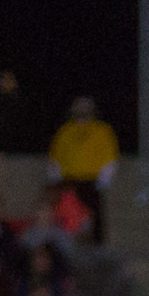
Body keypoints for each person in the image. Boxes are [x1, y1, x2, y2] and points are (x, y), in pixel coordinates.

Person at [48, 92, 121, 232]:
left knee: (93, 220)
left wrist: (103, 181)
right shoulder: (65, 131)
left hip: (91, 183)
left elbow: (111, 158)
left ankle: (94, 247)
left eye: (86, 104)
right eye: (79, 104)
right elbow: (55, 158)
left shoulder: (103, 130)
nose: (82, 108)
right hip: (69, 183)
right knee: (67, 218)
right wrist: (57, 181)